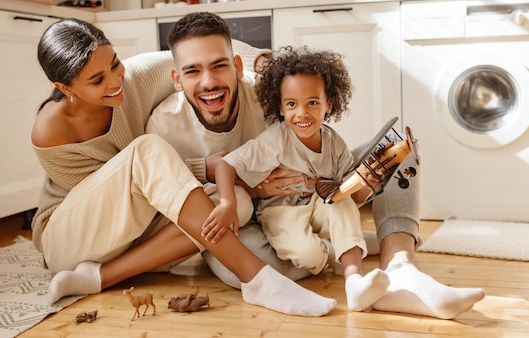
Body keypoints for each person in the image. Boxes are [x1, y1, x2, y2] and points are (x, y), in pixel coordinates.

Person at [146, 11, 486, 319]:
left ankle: (401, 270)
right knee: (247, 269)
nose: (208, 82)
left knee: (397, 153)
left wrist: (360, 181)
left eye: (219, 65)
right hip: (250, 218)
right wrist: (245, 186)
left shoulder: (268, 94)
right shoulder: (164, 126)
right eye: (193, 71)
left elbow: (325, 163)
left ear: (237, 65)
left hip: (312, 195)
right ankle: (350, 246)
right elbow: (167, 196)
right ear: (177, 79)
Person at [29, 17, 337, 317]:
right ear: (66, 88)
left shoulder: (138, 76)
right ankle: (257, 279)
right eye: (97, 80)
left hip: (135, 231)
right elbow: (111, 195)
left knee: (232, 205)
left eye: (114, 63)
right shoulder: (51, 130)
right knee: (149, 150)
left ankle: (101, 277)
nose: (114, 81)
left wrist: (265, 65)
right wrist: (201, 168)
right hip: (72, 237)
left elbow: (208, 51)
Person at [206, 46, 391, 311]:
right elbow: (226, 165)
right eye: (292, 104)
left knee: (340, 200)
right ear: (280, 107)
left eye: (312, 103)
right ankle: (340, 247)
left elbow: (354, 197)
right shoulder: (275, 140)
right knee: (310, 255)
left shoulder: (335, 143)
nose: (301, 113)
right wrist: (227, 203)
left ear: (329, 104)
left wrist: (369, 184)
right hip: (280, 212)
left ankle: (354, 280)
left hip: (318, 207)